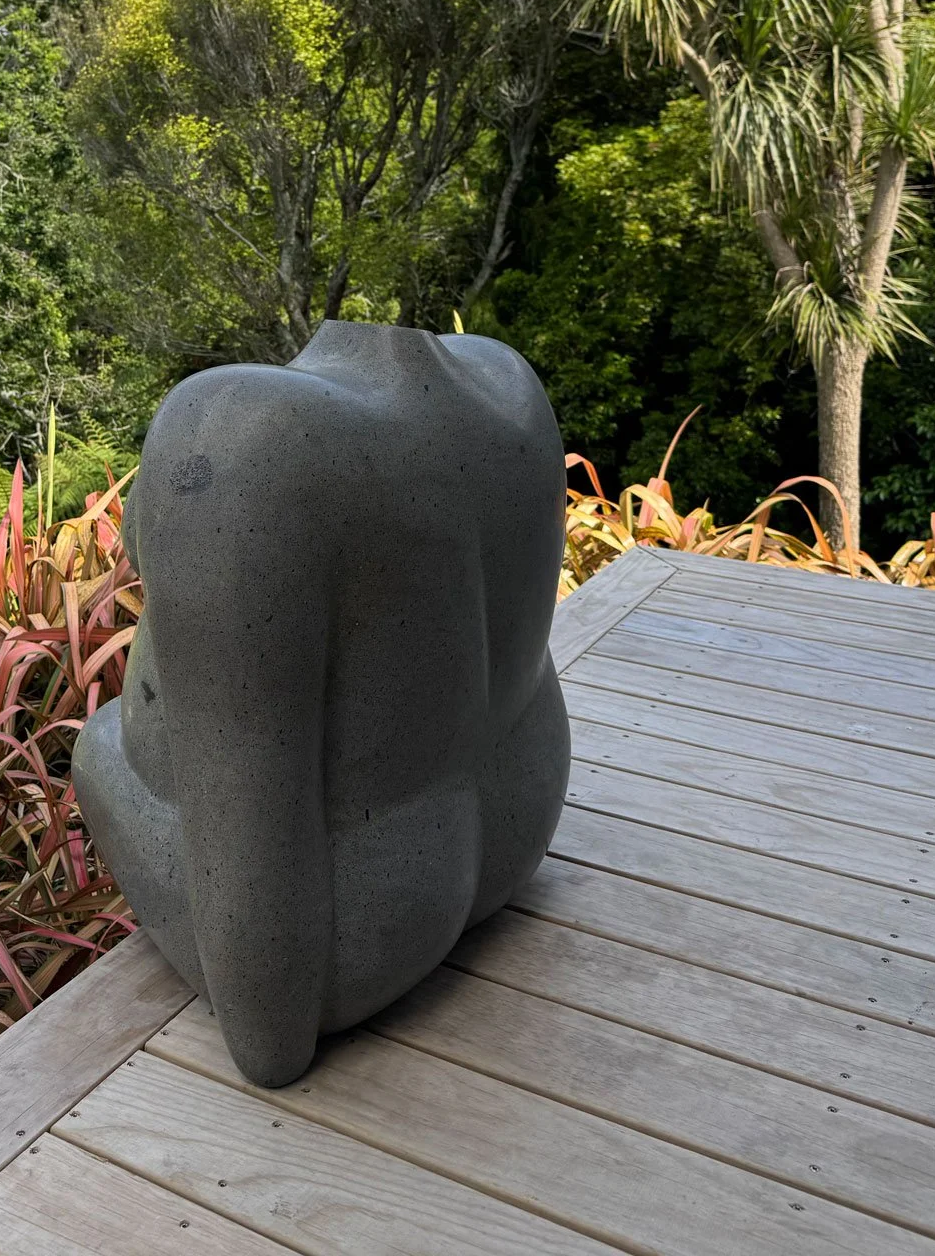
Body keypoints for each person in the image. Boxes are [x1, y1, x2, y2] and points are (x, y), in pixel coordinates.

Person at [72, 319, 569, 1087]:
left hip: (362, 936)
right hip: (518, 831)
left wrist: (270, 1035)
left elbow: (249, 821)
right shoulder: (504, 382)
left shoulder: (238, 436)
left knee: (98, 745)